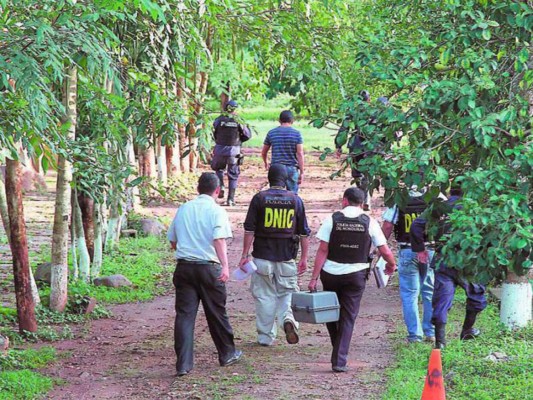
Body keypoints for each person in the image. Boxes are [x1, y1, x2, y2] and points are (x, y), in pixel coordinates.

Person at [308, 187, 396, 372]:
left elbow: (323, 250)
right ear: (363, 203)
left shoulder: (332, 219)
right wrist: (391, 265)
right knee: (348, 317)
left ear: (345, 200)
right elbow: (384, 249)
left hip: (330, 274)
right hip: (356, 275)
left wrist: (314, 278)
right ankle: (339, 361)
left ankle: (338, 350)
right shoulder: (369, 221)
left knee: (331, 312)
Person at [167, 172, 242, 377]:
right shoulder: (217, 211)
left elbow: (173, 240)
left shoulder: (183, 209)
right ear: (217, 191)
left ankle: (183, 364)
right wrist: (225, 266)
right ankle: (227, 353)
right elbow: (219, 239)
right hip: (209, 268)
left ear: (197, 189)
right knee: (216, 312)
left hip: (184, 267)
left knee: (184, 315)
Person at [240, 164, 311, 346]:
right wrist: (303, 258)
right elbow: (304, 233)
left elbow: (250, 230)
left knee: (264, 296)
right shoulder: (295, 200)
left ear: (268, 178)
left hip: (262, 258)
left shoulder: (259, 198)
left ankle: (265, 337)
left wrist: (244, 254)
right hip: (287, 258)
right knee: (288, 292)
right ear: (286, 180)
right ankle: (288, 319)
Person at [410, 187, 487, 349]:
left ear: (451, 192)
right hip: (468, 262)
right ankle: (467, 330)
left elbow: (416, 225)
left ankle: (440, 342)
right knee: (476, 295)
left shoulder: (440, 207)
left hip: (443, 260)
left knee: (442, 300)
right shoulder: (474, 210)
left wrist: (420, 249)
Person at [381, 187, 439, 343]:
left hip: (407, 249)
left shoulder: (400, 197)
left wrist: (380, 247)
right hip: (430, 249)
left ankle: (414, 335)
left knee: (409, 294)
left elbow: (387, 225)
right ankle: (431, 332)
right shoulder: (435, 195)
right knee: (430, 291)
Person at [334, 91, 389, 211]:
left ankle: (364, 199)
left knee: (358, 175)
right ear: (369, 100)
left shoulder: (353, 112)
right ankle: (365, 199)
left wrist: (338, 145)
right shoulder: (377, 112)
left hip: (356, 147)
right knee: (367, 174)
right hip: (372, 148)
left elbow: (344, 129)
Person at [211, 99, 252, 206]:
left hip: (219, 150)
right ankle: (230, 199)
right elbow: (247, 135)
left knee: (219, 169)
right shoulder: (239, 121)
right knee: (233, 175)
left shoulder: (218, 120)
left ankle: (221, 186)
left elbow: (213, 133)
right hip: (234, 151)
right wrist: (239, 141)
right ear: (235, 109)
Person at [261, 110, 304, 194]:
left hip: (276, 168)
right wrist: (302, 172)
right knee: (293, 195)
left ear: (279, 120)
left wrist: (266, 163)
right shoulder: (297, 134)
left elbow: (264, 152)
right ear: (292, 120)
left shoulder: (271, 133)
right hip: (291, 168)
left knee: (275, 193)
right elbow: (300, 153)